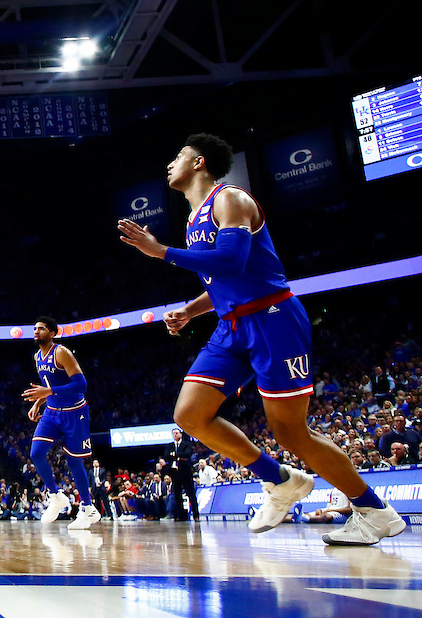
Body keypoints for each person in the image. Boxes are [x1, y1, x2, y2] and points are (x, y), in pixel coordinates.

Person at [118, 133, 405, 546]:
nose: (170, 165)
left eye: (178, 156)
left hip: (273, 318)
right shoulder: (193, 218)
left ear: (199, 163)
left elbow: (233, 260)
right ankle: (282, 480)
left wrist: (161, 251)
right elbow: (223, 280)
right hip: (231, 325)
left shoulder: (230, 199)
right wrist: (190, 310)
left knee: (291, 432)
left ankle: (375, 510)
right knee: (189, 415)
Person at [22, 317, 101, 530]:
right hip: (52, 411)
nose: (36, 331)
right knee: (36, 453)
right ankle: (57, 496)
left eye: (42, 328)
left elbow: (81, 384)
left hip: (75, 413)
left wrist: (47, 392)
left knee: (74, 462)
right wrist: (39, 401)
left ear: (53, 333)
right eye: (35, 328)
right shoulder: (37, 356)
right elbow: (50, 385)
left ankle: (87, 509)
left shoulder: (61, 352)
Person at [164, 429, 200, 521]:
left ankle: (196, 514)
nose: (175, 435)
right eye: (173, 434)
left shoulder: (186, 444)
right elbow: (166, 456)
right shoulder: (170, 445)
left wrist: (175, 454)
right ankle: (180, 515)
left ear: (180, 434)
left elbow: (187, 454)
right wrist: (178, 456)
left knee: (191, 494)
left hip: (185, 472)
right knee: (177, 495)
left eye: (176, 433)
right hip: (175, 473)